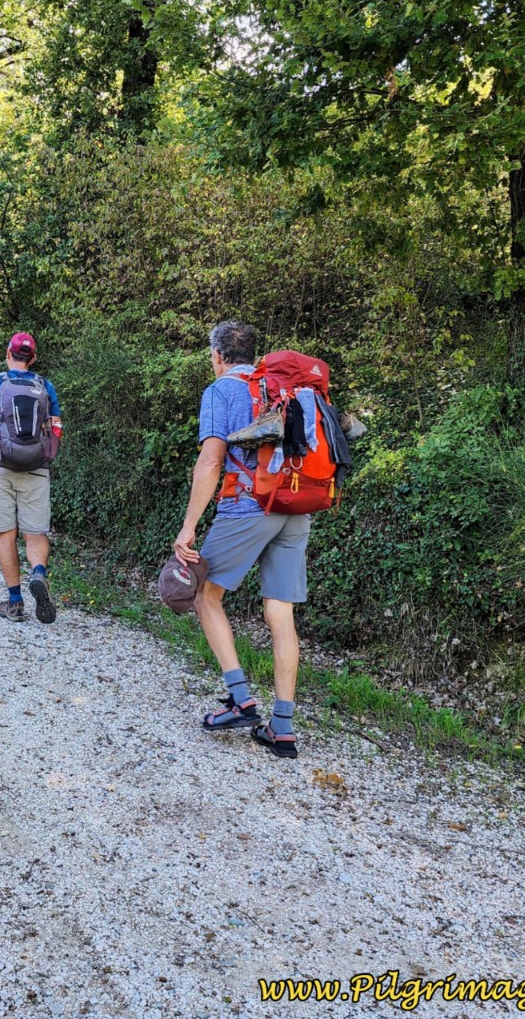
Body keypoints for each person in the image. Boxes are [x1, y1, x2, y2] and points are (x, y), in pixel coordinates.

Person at [173, 320, 307, 759]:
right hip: (294, 505)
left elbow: (212, 462)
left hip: (248, 506)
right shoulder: (280, 387)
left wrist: (189, 525)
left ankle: (241, 700)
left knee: (205, 595)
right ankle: (282, 730)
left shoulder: (222, 391)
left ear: (216, 355)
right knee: (279, 612)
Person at [0, 332, 62, 623]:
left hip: (0, 465)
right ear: (33, 358)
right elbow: (56, 427)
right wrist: (45, 456)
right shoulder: (45, 386)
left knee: (6, 534)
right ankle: (38, 573)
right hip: (36, 466)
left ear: (8, 353)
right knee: (35, 533)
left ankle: (15, 602)